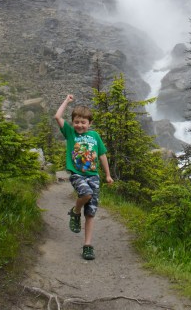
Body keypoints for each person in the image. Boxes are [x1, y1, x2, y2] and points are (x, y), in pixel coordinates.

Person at [54, 94, 113, 260]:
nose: (79, 125)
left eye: (83, 122)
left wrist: (108, 175)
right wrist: (66, 101)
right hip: (77, 174)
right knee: (86, 194)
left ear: (89, 123)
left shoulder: (95, 136)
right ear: (73, 122)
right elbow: (57, 116)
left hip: (93, 176)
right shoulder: (70, 133)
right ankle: (75, 211)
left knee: (91, 213)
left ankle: (87, 245)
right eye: (76, 122)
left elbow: (102, 155)